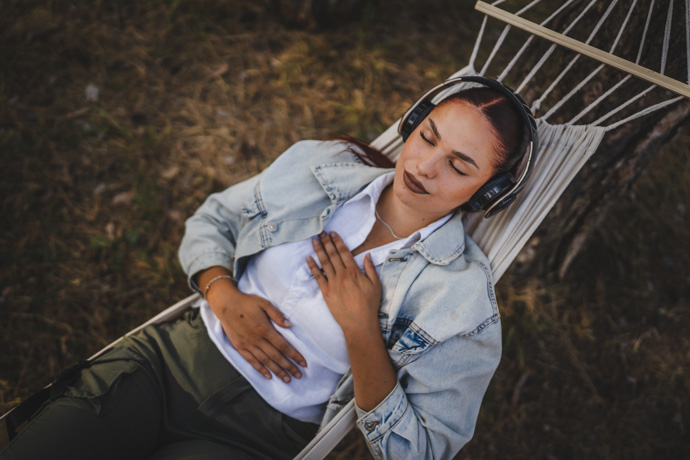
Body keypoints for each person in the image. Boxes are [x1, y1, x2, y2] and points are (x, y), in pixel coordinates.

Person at [0, 76, 537, 459]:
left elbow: (419, 449)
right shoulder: (319, 167)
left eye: (459, 166)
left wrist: (361, 332)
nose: (424, 166)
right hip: (165, 365)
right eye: (428, 137)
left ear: (486, 193)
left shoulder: (461, 303)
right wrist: (221, 294)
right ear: (413, 125)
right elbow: (213, 220)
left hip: (252, 440)